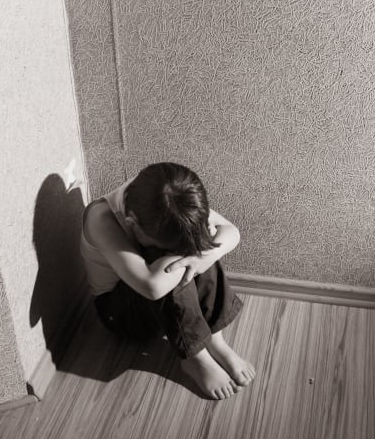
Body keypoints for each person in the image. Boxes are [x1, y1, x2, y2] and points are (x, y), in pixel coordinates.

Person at [80, 162, 255, 400]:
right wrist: (193, 255)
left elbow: (232, 231)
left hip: (156, 303)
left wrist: (205, 254)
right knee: (168, 258)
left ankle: (214, 339)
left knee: (201, 240)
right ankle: (196, 358)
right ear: (131, 222)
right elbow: (151, 287)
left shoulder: (167, 200)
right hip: (120, 312)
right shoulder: (101, 219)